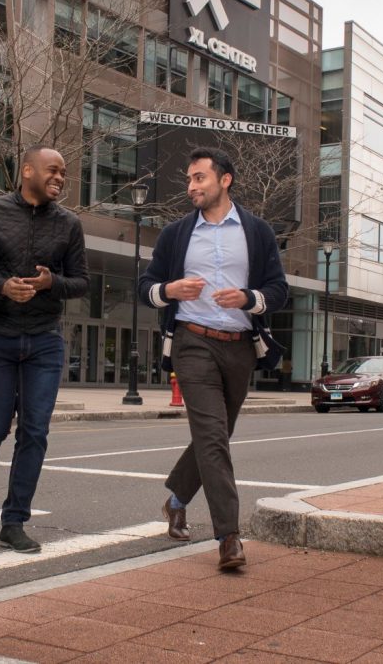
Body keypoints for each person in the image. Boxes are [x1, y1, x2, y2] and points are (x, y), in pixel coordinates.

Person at [138, 148, 289, 570]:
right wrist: (170, 291)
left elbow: (278, 290)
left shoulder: (258, 232)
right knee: (211, 436)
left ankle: (176, 499)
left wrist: (249, 298)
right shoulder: (176, 234)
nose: (192, 187)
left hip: (239, 345)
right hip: (192, 342)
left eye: (200, 178)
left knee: (216, 437)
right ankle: (229, 537)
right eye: (190, 180)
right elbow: (145, 286)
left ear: (225, 180)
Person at [0, 144, 89, 553]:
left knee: (34, 432)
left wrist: (53, 284)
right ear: (27, 170)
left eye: (63, 173)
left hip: (45, 341)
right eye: (53, 170)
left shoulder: (69, 224)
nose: (60, 178)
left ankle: (14, 521)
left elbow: (81, 281)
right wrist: (1, 287)